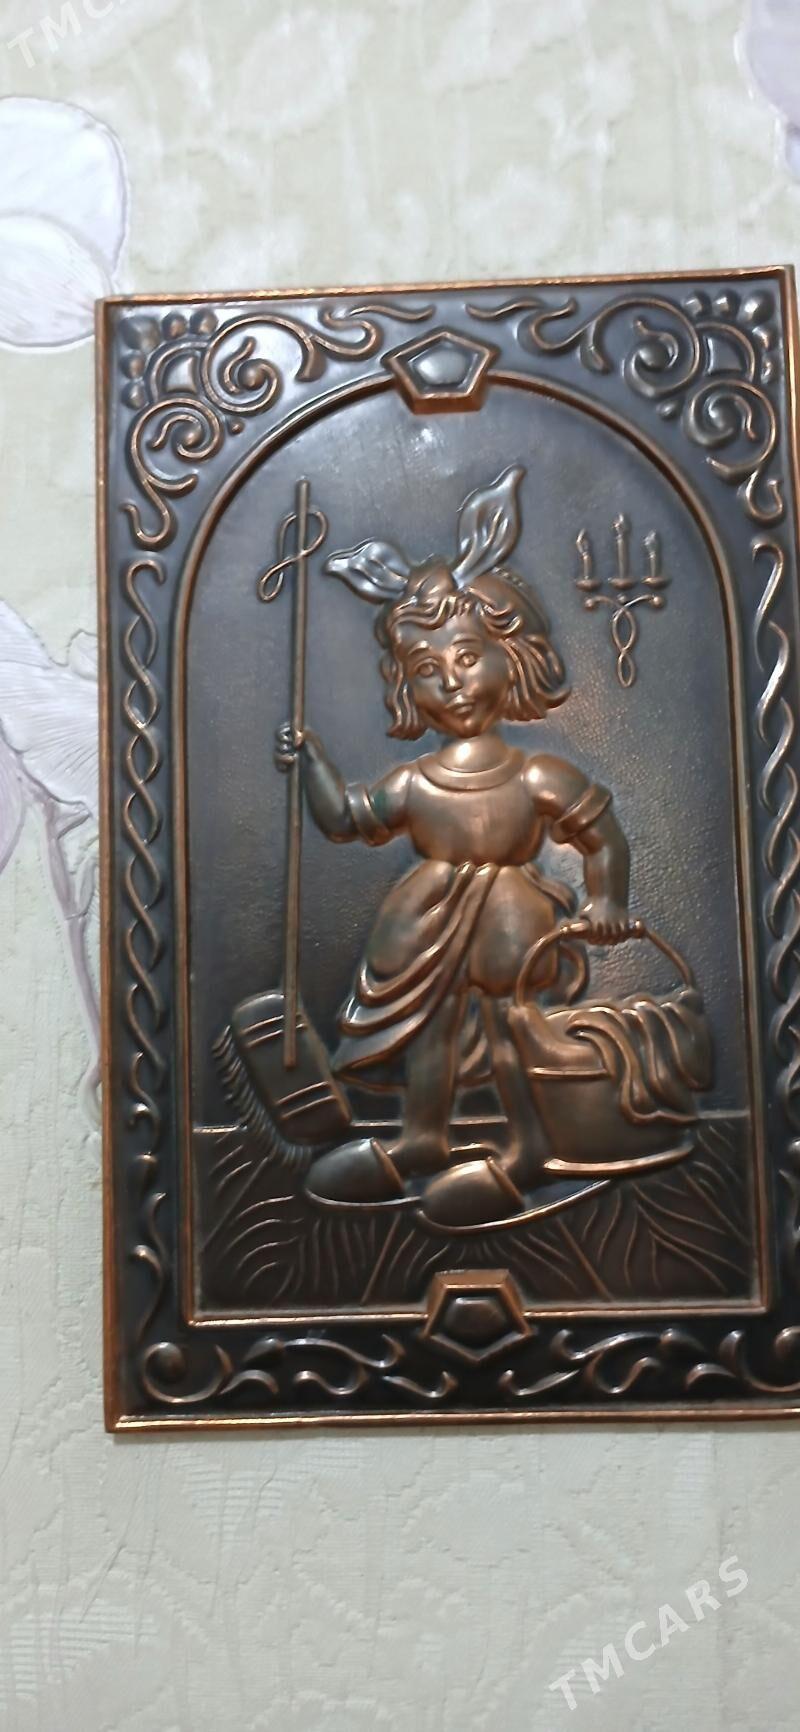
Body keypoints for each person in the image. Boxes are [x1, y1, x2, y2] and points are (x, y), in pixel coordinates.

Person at [275, 468, 630, 1218]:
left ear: (512, 655)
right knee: (428, 1033)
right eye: (428, 671)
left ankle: (529, 1148)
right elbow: (343, 819)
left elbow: (602, 838)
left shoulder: (536, 773)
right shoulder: (415, 782)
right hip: (427, 925)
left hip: (509, 920)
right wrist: (309, 761)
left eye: (468, 658)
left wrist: (606, 902)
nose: (453, 683)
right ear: (407, 689)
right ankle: (422, 1141)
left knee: (508, 1029)